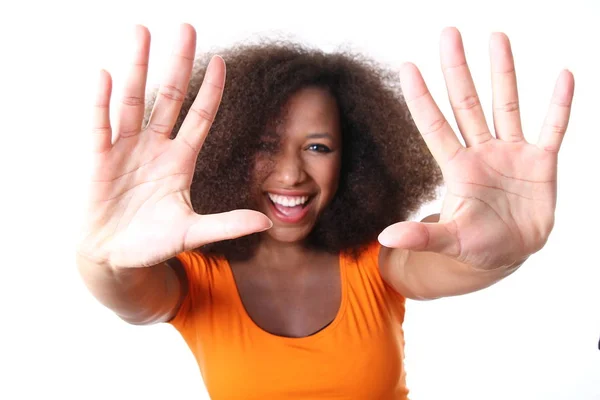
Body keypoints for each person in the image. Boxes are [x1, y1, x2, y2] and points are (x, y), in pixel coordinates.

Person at [75, 23, 574, 399]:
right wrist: (102, 257)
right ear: (225, 153)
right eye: (266, 146)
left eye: (317, 147)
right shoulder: (198, 275)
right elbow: (131, 297)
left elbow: (445, 259)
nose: (291, 174)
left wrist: (506, 249)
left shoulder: (377, 259)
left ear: (353, 159)